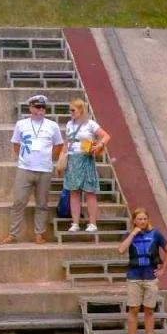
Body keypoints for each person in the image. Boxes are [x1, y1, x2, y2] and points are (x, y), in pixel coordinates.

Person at [2, 95, 64, 245]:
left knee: (42, 204)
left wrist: (48, 157)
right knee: (18, 202)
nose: (40, 111)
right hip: (25, 168)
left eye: (42, 108)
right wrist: (24, 158)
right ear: (30, 108)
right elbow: (16, 144)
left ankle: (39, 234)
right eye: (37, 107)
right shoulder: (21, 124)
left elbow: (58, 144)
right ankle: (13, 234)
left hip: (44, 169)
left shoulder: (52, 125)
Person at [119, 208, 167, 334]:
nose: (142, 221)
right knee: (133, 309)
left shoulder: (155, 234)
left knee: (149, 310)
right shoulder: (129, 234)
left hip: (150, 277)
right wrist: (133, 234)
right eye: (139, 219)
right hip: (134, 277)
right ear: (134, 221)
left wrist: (163, 269)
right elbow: (121, 250)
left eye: (144, 219)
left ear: (148, 220)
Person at [62, 100, 111, 234]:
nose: (70, 113)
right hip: (72, 158)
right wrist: (62, 158)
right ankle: (75, 222)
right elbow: (66, 142)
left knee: (89, 192)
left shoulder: (90, 124)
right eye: (70, 110)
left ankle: (93, 222)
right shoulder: (69, 124)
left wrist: (99, 145)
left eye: (73, 110)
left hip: (86, 157)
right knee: (74, 192)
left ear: (81, 110)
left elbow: (106, 136)